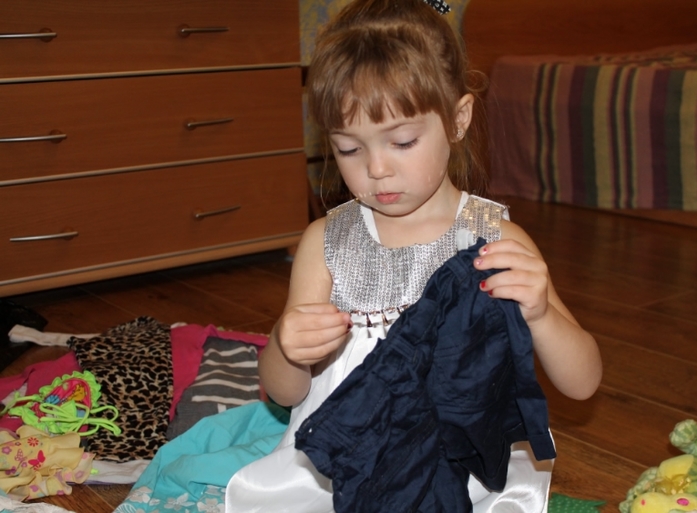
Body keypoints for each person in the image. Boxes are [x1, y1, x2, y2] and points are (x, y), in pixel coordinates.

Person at [226, 0, 602, 511]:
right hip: (342, 466)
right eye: (349, 148)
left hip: (459, 462)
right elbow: (284, 392)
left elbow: (583, 384)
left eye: (402, 141)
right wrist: (285, 346)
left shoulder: (494, 238)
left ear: (458, 119)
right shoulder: (327, 242)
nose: (376, 169)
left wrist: (540, 316)